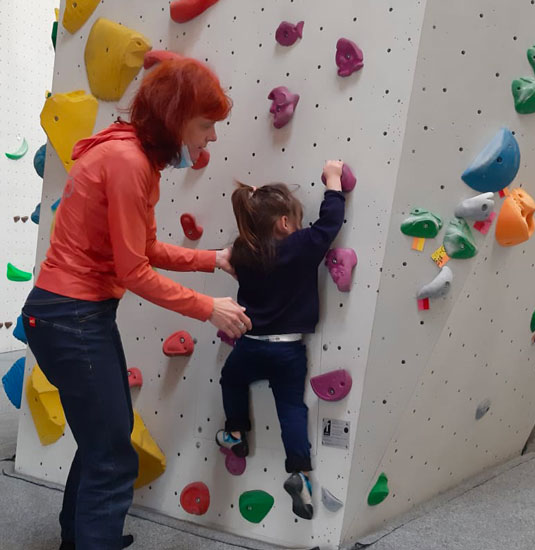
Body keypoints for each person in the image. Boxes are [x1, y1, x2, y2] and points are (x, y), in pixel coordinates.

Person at [21, 58, 251, 550]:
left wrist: (212, 259)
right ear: (176, 116)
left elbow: (141, 249)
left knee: (109, 436)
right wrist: (209, 308)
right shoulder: (127, 162)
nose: (211, 137)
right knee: (112, 455)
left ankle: (79, 539)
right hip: (71, 317)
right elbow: (135, 272)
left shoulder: (134, 157)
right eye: (206, 124)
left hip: (76, 314)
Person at [215, 161, 345, 520]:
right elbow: (330, 222)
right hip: (288, 349)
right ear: (285, 224)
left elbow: (231, 254)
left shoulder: (243, 251)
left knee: (231, 379)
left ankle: (236, 432)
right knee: (291, 408)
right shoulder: (301, 246)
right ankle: (300, 473)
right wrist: (333, 179)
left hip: (250, 343)